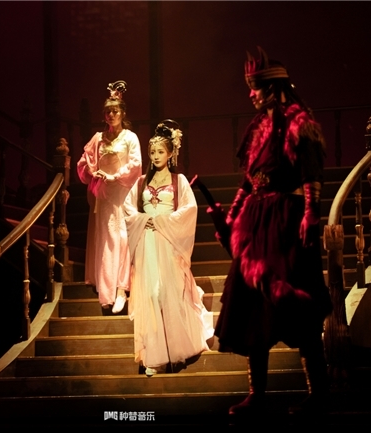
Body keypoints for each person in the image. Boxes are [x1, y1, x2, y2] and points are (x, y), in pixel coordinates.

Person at [211, 47, 332, 414]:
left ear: (274, 88)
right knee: (252, 310)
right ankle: (258, 394)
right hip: (256, 223)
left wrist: (311, 214)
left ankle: (319, 393)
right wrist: (232, 216)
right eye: (250, 87)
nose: (251, 94)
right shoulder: (258, 127)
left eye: (256, 87)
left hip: (286, 222)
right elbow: (250, 180)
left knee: (297, 305)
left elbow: (310, 172)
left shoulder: (298, 122)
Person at [124, 120, 213, 376]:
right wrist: (144, 219)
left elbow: (189, 209)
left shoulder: (179, 180)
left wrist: (163, 221)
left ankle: (177, 347)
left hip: (168, 240)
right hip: (148, 241)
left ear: (170, 153)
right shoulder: (142, 182)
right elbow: (128, 209)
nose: (155, 156)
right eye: (152, 152)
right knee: (151, 295)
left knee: (168, 293)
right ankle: (155, 356)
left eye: (160, 152)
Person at [77, 81, 142, 314]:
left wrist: (115, 176)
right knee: (106, 240)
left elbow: (135, 164)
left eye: (115, 111)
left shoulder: (130, 137)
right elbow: (83, 164)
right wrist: (93, 172)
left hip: (123, 193)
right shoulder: (98, 138)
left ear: (122, 113)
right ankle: (107, 294)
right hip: (103, 196)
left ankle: (122, 289)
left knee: (123, 238)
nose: (112, 115)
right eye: (108, 111)